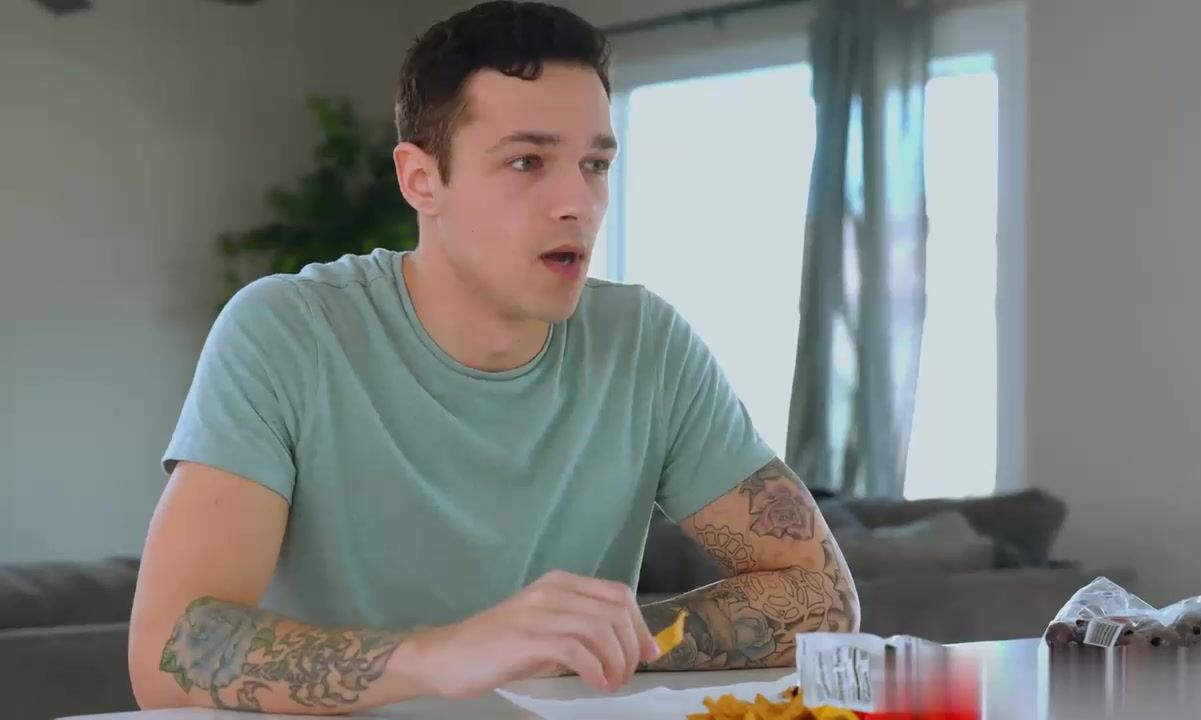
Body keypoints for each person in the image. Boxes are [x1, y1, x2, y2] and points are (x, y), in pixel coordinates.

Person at [127, 1, 859, 714]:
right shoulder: (289, 332)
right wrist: (445, 655)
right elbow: (170, 649)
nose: (577, 202)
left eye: (595, 164)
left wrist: (583, 642)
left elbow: (822, 597)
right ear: (421, 179)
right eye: (526, 161)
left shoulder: (646, 345)